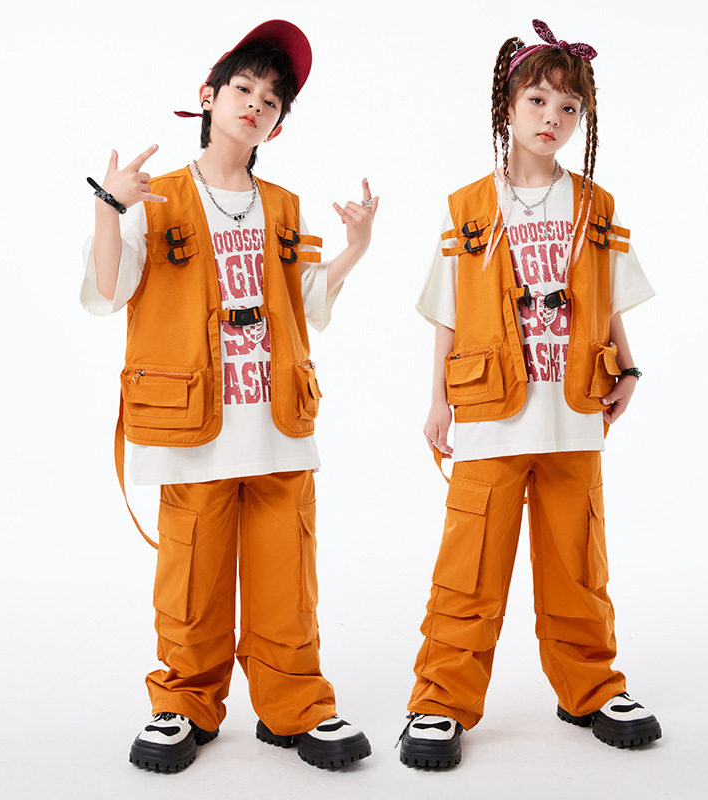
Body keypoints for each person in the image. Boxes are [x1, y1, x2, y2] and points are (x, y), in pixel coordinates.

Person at [80, 19, 378, 773]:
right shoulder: (156, 198)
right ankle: (183, 704)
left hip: (278, 423)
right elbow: (108, 291)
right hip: (192, 427)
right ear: (208, 96)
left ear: (278, 124)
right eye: (243, 87)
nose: (255, 103)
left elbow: (307, 302)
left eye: (272, 99)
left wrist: (354, 250)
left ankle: (296, 706)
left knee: (288, 578)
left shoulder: (284, 206)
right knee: (192, 578)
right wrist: (109, 207)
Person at [398, 19, 660, 769]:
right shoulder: (469, 207)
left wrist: (629, 369)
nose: (553, 118)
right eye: (538, 101)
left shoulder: (595, 205)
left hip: (574, 410)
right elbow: (448, 311)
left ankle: (592, 689)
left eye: (570, 108)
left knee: (578, 563)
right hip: (489, 413)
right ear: (507, 107)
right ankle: (439, 700)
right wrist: (438, 400)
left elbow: (608, 297)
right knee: (470, 566)